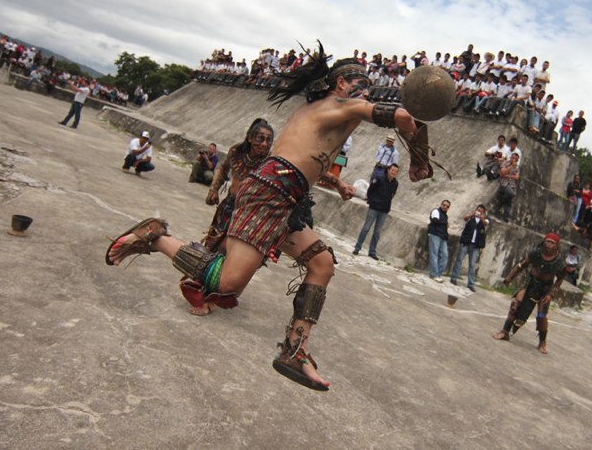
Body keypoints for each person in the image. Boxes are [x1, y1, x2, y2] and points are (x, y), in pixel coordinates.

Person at [105, 44, 432, 391]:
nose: (364, 93)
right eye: (358, 85)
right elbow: (403, 119)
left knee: (321, 264)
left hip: (287, 197)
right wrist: (419, 158)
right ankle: (155, 237)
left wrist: (335, 181)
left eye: (368, 87)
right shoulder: (335, 105)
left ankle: (295, 351)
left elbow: (304, 160)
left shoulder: (333, 116)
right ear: (339, 85)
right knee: (227, 283)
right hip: (269, 192)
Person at [186, 118, 275, 316]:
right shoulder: (236, 152)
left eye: (269, 140)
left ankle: (211, 300)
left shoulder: (270, 162)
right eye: (260, 138)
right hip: (228, 207)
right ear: (250, 138)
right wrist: (214, 190)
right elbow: (224, 169)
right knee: (212, 246)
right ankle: (200, 286)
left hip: (249, 214)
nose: (264, 144)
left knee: (228, 254)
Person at [493, 233, 566, 354]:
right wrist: (509, 278)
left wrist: (551, 294)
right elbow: (522, 265)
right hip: (530, 282)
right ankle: (505, 332)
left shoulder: (559, 261)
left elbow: (559, 279)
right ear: (544, 242)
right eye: (547, 241)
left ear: (556, 245)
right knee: (515, 305)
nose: (549, 245)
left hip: (546, 288)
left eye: (552, 243)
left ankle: (542, 342)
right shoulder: (535, 253)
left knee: (542, 316)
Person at [353, 163, 399, 261]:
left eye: (395, 171)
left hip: (384, 210)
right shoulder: (379, 179)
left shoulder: (395, 183)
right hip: (374, 207)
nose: (393, 172)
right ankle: (357, 248)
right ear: (388, 170)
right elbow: (371, 190)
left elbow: (392, 195)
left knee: (377, 232)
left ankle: (372, 251)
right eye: (392, 170)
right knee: (366, 228)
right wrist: (370, 200)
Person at [449, 204, 489, 292]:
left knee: (472, 265)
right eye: (478, 210)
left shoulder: (485, 219)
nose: (479, 212)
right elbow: (465, 218)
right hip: (466, 243)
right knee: (459, 260)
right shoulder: (471, 217)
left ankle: (471, 284)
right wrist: (472, 214)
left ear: (484, 212)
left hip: (475, 245)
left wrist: (482, 217)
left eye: (481, 211)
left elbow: (486, 224)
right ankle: (454, 278)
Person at [492, 153, 520, 223]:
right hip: (504, 183)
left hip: (512, 184)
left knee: (509, 202)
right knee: (511, 194)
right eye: (512, 157)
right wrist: (511, 167)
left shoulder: (517, 167)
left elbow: (516, 177)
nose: (512, 159)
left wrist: (507, 175)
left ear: (516, 160)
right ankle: (501, 202)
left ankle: (506, 216)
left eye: (514, 158)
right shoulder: (505, 163)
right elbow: (502, 172)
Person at [428, 199, 451, 282]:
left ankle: (438, 273)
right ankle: (434, 274)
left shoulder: (445, 216)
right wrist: (445, 223)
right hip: (435, 234)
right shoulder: (436, 211)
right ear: (441, 204)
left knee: (445, 256)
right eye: (444, 205)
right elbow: (435, 220)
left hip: (443, 236)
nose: (445, 207)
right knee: (434, 254)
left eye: (447, 206)